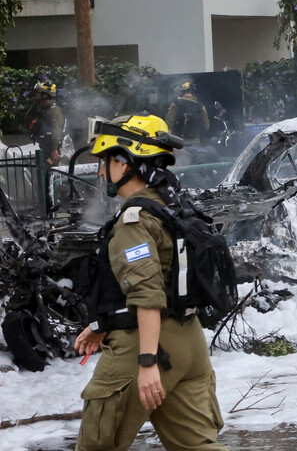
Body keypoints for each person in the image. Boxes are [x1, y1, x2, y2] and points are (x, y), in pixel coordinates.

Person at [74, 113, 227, 450]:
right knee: (198, 446)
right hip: (190, 342)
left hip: (146, 345)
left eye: (106, 160)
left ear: (126, 161)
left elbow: (147, 295)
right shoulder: (175, 208)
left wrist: (146, 362)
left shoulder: (134, 221)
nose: (101, 171)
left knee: (96, 446)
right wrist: (104, 324)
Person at [29, 81, 64, 166]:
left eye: (38, 93)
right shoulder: (44, 110)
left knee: (52, 174)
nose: (36, 95)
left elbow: (57, 130)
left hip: (53, 151)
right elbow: (28, 117)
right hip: (46, 149)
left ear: (45, 95)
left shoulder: (53, 110)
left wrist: (54, 149)